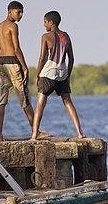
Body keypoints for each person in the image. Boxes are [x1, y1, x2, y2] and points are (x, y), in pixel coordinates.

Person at [30, 11, 84, 141]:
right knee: (67, 101)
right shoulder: (66, 36)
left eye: (45, 22)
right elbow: (71, 58)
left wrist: (37, 75)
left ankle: (34, 135)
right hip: (62, 72)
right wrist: (68, 75)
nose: (44, 25)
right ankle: (80, 132)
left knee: (40, 102)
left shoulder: (46, 36)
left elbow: (42, 58)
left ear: (51, 22)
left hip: (49, 71)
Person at [0, 1, 34, 141]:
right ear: (10, 12)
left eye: (22, 12)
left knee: (2, 100)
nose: (21, 15)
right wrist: (24, 66)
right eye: (18, 12)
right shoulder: (13, 26)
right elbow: (16, 49)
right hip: (11, 63)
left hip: (0, 63)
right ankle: (36, 131)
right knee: (24, 97)